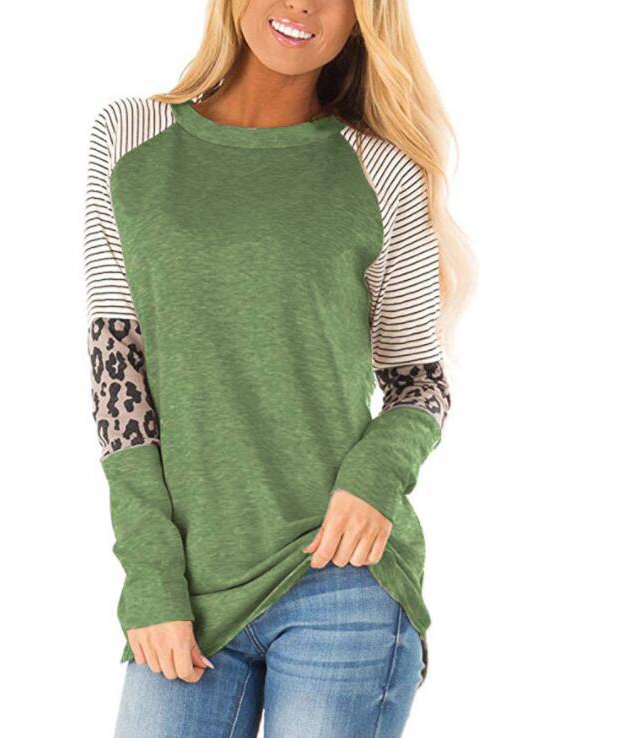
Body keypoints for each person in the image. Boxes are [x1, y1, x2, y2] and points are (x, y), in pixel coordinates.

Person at [83, 1, 473, 735]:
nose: (301, 4)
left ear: (361, 18)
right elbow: (118, 376)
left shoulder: (381, 171)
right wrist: (151, 577)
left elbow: (419, 381)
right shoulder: (132, 135)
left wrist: (372, 480)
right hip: (190, 584)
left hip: (344, 578)